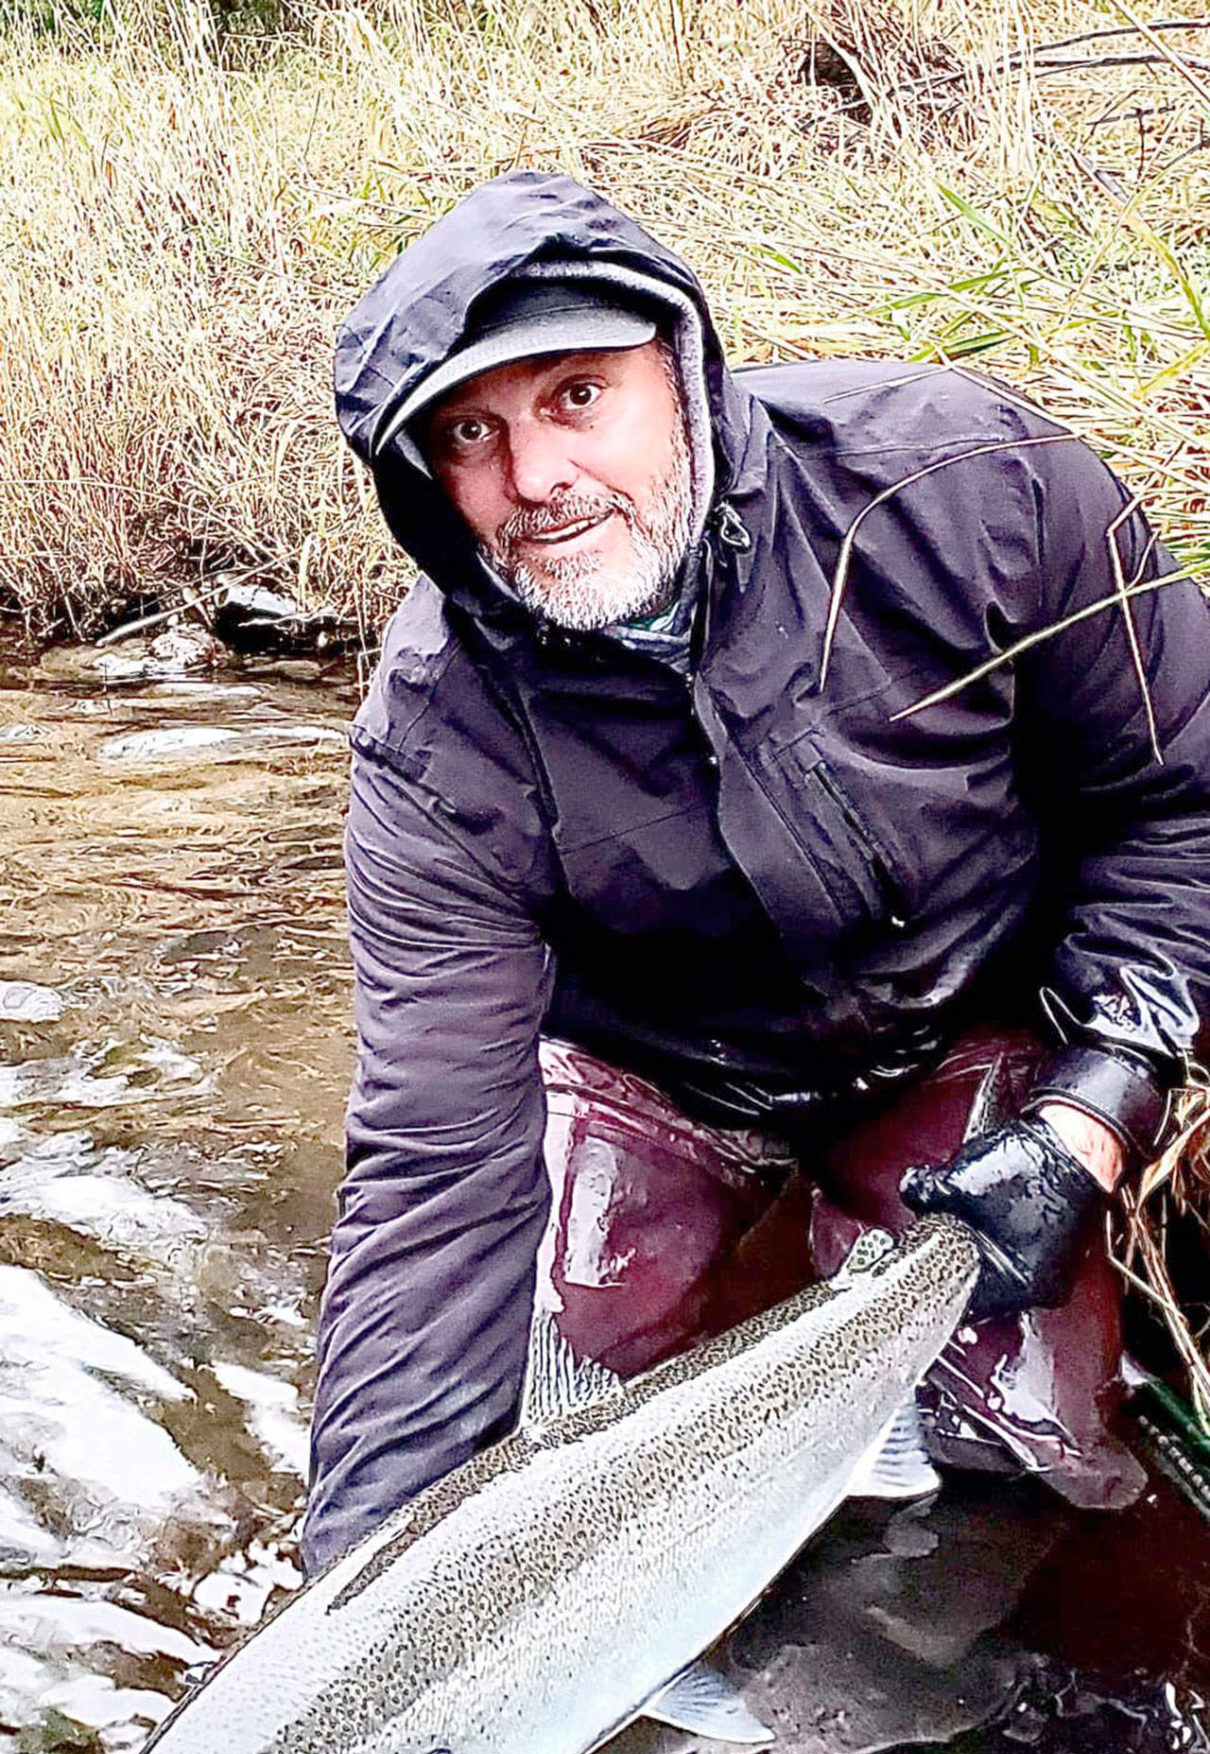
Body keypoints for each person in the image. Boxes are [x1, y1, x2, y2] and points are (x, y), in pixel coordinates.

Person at [303, 169, 1210, 1577]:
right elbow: (431, 1175)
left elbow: (1181, 800)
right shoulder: (432, 750)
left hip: (965, 1025)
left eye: (575, 397)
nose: (534, 478)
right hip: (657, 1075)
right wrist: (360, 1633)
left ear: (677, 367)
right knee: (562, 1435)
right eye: (470, 434)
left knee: (1021, 1453)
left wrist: (1095, 1104)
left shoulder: (970, 492)